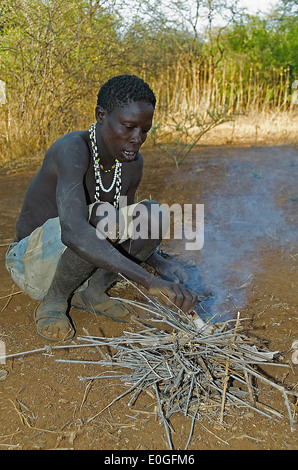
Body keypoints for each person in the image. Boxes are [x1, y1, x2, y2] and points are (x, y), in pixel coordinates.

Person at [6, 74, 197, 342]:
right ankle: (54, 301)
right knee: (99, 217)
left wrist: (158, 262)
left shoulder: (131, 163)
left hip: (81, 263)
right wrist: (150, 281)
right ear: (100, 115)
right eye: (128, 127)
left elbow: (127, 228)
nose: (137, 138)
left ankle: (93, 292)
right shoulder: (72, 150)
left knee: (153, 213)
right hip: (31, 262)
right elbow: (74, 232)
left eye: (145, 130)